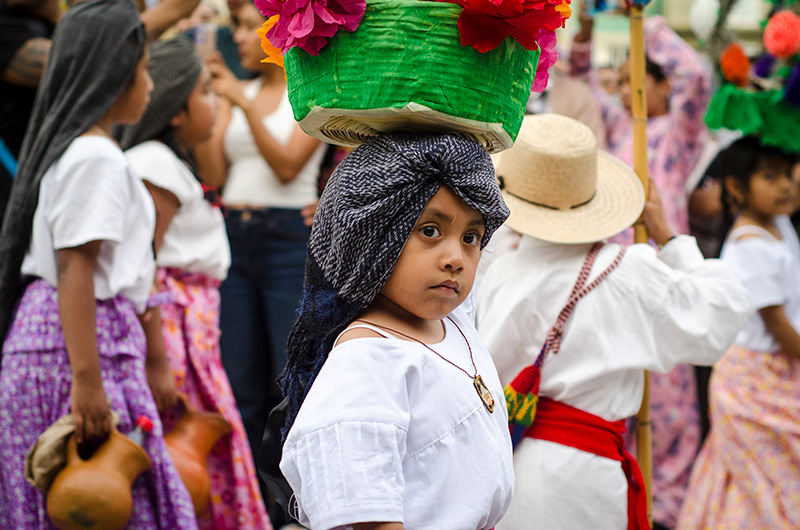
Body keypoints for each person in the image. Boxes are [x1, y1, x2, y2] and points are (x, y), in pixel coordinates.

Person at [478, 114, 752, 530]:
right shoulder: (628, 271)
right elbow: (722, 313)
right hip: (583, 479)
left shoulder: (494, 269)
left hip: (499, 467)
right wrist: (671, 239)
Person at [0, 1, 198, 528]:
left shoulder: (89, 151)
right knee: (100, 500)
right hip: (78, 344)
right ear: (112, 76)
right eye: (142, 71)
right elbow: (76, 268)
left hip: (74, 337)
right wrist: (87, 379)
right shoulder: (97, 158)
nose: (152, 86)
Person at [277, 133, 514, 529]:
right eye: (430, 231)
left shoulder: (451, 321)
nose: (456, 258)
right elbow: (368, 514)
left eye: (471, 237)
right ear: (371, 240)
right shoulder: (367, 361)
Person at [117, 37, 272, 530]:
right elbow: (145, 263)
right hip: (173, 334)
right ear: (176, 110)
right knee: (189, 439)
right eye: (206, 92)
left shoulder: (171, 161)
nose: (215, 101)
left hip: (194, 330)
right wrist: (158, 362)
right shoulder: (154, 166)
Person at [570, 9, 713, 528]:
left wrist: (645, 26)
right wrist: (587, 37)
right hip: (610, 276)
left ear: (658, 87)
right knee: (619, 387)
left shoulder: (678, 132)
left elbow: (696, 77)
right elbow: (584, 84)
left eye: (636, 78)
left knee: (670, 397)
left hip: (662, 275)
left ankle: (666, 508)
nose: (624, 90)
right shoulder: (614, 126)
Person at [194, 0, 325, 485]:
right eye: (237, 28)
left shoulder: (308, 95)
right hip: (234, 236)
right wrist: (215, 103)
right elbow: (214, 174)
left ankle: (288, 495)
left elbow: (289, 166)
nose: (241, 38)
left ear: (279, 32)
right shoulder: (237, 92)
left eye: (250, 27)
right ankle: (246, 498)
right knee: (238, 377)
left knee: (285, 377)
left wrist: (244, 106)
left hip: (286, 241)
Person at [677, 137, 800, 530]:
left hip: (777, 372)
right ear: (735, 188)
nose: (785, 186)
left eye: (787, 175)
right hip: (758, 378)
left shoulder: (776, 223)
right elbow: (779, 328)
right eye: (769, 176)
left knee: (750, 477)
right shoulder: (751, 247)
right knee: (766, 477)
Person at [0, 0, 202, 224]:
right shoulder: (93, 154)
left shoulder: (73, 21)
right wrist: (148, 20)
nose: (150, 84)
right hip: (17, 199)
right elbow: (88, 60)